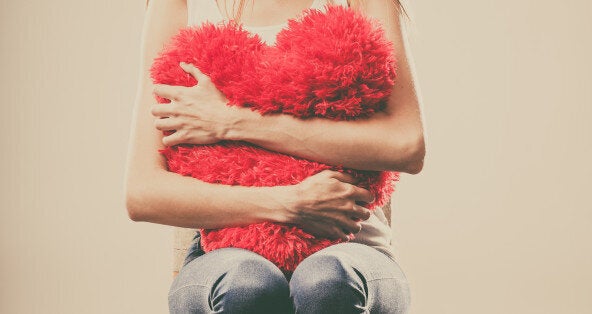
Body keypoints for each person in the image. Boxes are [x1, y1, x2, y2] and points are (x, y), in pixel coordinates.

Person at [124, 0, 426, 312]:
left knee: (327, 282)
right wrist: (292, 203)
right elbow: (144, 192)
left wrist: (231, 121)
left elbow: (406, 145)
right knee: (244, 286)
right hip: (224, 251)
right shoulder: (180, 5)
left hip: (355, 247)